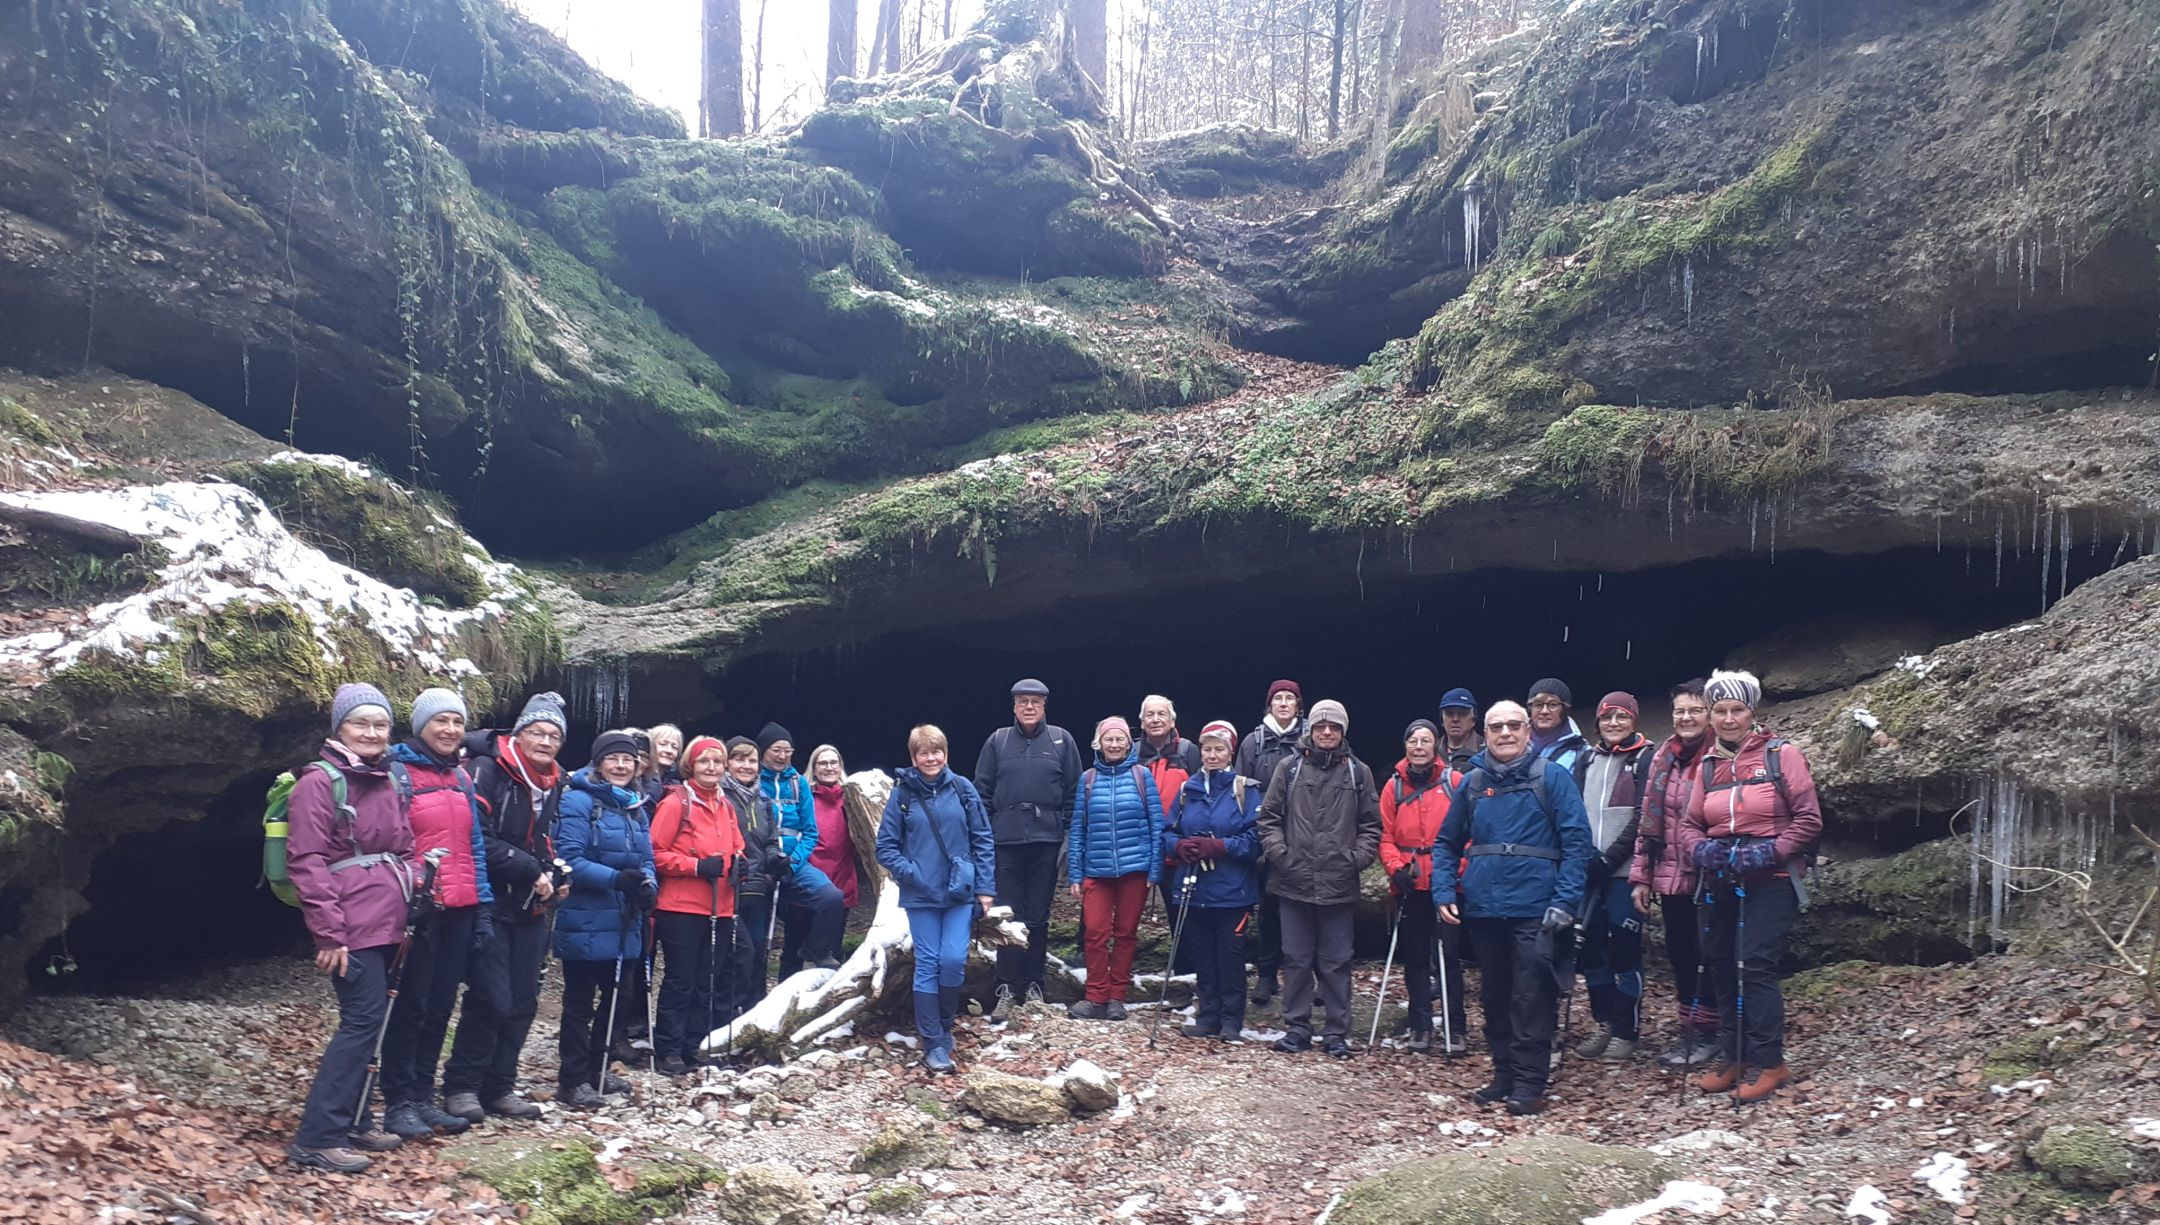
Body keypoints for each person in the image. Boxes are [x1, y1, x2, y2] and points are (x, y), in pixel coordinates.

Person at [1433, 700, 1594, 1115]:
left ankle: (1529, 1081)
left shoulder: (1553, 778)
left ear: (1527, 731)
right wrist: (1444, 892)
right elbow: (1448, 842)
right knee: (1495, 993)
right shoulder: (1473, 782)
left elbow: (1577, 844)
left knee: (1532, 996)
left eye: (1513, 726)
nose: (1505, 733)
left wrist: (1565, 901)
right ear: (1484, 734)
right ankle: (1503, 1073)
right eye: (1496, 727)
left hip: (1536, 908)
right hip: (1485, 907)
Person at [286, 683, 416, 1174]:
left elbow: (403, 848)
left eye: (380, 724)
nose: (371, 732)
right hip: (349, 927)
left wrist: (413, 902)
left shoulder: (387, 779)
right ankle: (318, 1137)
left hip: (387, 920)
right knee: (360, 1024)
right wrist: (329, 934)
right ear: (339, 728)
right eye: (360, 723)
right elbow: (307, 860)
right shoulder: (319, 782)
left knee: (373, 1023)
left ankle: (357, 1119)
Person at [1678, 669, 1822, 1104]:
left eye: (1736, 710)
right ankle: (1734, 1055)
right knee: (1720, 961)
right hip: (1721, 875)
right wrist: (1702, 851)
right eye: (1719, 710)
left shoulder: (1783, 755)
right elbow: (1688, 824)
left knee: (1754, 964)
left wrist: (1771, 852)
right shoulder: (1707, 765)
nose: (1727, 718)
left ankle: (1770, 1061)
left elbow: (1809, 820)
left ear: (1751, 711)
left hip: (1772, 878)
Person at [443, 692, 567, 1125]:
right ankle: (461, 1085)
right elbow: (475, 834)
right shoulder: (487, 769)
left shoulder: (554, 781)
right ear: (520, 733)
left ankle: (499, 1085)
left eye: (554, 735)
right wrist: (530, 868)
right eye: (538, 732)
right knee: (491, 997)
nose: (546, 741)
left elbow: (544, 838)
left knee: (523, 1000)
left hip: (530, 906)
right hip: (489, 899)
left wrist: (553, 874)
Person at [376, 688, 489, 1140]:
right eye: (441, 721)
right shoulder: (397, 773)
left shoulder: (461, 778)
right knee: (411, 1006)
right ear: (421, 725)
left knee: (441, 1004)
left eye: (457, 722)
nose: (450, 730)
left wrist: (482, 910)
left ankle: (423, 1096)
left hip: (459, 908)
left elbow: (474, 848)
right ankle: (398, 1099)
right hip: (418, 909)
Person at [1256, 699, 1379, 1058]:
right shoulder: (1289, 768)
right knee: (1295, 957)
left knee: (1337, 959)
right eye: (1321, 726)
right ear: (1310, 730)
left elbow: (1371, 824)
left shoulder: (1358, 772)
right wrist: (1281, 855)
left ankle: (1337, 1032)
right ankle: (1297, 1027)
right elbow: (1268, 818)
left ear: (1343, 731)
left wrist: (1356, 859)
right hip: (1292, 881)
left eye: (1334, 727)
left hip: (1339, 882)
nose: (1327, 733)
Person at [876, 725, 996, 1073]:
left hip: (959, 892)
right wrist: (910, 871)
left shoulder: (962, 788)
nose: (931, 758)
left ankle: (944, 1025)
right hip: (921, 896)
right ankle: (934, 1041)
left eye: (937, 751)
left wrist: (985, 888)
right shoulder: (903, 795)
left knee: (954, 959)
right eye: (924, 753)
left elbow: (983, 839)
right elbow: (884, 846)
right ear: (913, 757)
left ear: (946, 753)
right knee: (928, 962)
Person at [552, 731, 656, 1109]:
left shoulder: (636, 807)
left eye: (627, 760)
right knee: (580, 1002)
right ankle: (572, 1078)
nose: (621, 765)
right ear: (599, 762)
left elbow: (647, 859)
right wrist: (616, 880)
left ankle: (599, 1067)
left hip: (626, 917)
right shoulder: (579, 801)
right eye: (613, 759)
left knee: (619, 997)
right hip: (586, 915)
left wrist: (648, 888)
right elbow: (570, 858)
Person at [974, 679, 1083, 1022]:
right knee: (1008, 916)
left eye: (1036, 701)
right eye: (1023, 701)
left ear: (1045, 705)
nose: (1029, 707)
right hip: (1005, 842)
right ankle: (1007, 987)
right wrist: (988, 832)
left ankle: (1034, 985)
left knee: (1037, 915)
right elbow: (982, 791)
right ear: (1014, 706)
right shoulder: (998, 740)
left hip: (1045, 842)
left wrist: (1063, 831)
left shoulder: (1062, 740)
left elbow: (1073, 791)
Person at [1631, 679, 1721, 1068]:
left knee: (1712, 954)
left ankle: (1715, 1031)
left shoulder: (1720, 754)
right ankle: (1692, 1029)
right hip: (1670, 874)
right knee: (1682, 954)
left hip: (1712, 874)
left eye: (1694, 710)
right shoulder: (1663, 756)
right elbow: (1648, 821)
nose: (1686, 717)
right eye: (1680, 711)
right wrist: (1641, 876)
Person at [648, 736, 745, 1077]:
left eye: (718, 762)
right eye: (705, 761)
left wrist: (740, 865)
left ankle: (695, 1043)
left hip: (720, 905)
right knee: (680, 979)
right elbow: (655, 852)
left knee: (709, 979)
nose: (712, 767)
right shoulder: (677, 803)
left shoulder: (726, 804)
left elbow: (737, 846)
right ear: (692, 764)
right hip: (682, 906)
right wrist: (695, 867)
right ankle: (669, 1048)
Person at [1161, 721, 1262, 1042]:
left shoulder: (1245, 789)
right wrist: (1179, 846)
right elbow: (1167, 832)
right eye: (1207, 749)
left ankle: (1231, 1020)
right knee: (1202, 954)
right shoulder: (1187, 789)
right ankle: (1207, 1016)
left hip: (1233, 890)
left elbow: (1257, 839)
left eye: (1219, 749)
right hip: (1194, 887)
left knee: (1230, 956)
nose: (1213, 755)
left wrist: (1221, 846)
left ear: (1230, 752)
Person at [1567, 692, 1655, 1063]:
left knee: (1624, 949)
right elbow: (1572, 808)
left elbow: (1643, 815)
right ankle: (1604, 1021)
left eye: (1622, 717)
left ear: (1634, 720)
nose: (1614, 723)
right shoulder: (1587, 758)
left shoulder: (1646, 758)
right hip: (1590, 869)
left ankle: (1626, 1029)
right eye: (1607, 717)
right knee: (1591, 951)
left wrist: (1610, 858)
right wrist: (1585, 855)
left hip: (1624, 871)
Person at [1067, 717, 1165, 1020]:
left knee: (1126, 933)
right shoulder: (1088, 779)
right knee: (1094, 933)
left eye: (1119, 739)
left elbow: (1156, 823)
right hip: (1096, 871)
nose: (1113, 744)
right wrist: (1074, 873)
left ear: (1128, 743)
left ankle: (1117, 998)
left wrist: (1155, 869)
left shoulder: (1141, 775)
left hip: (1135, 868)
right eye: (1108, 739)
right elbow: (1077, 828)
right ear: (1099, 743)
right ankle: (1095, 996)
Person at [1378, 719, 1465, 1054]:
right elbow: (1385, 836)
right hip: (1410, 883)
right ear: (1405, 746)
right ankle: (1420, 1026)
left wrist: (1457, 870)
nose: (1418, 746)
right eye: (1413, 740)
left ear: (1435, 746)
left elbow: (1467, 836)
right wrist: (1395, 868)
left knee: (1449, 956)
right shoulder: (1393, 787)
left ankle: (1456, 1028)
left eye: (1425, 740)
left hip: (1446, 882)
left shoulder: (1454, 782)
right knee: (1414, 957)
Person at [1235, 679, 1304, 1006]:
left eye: (1290, 698)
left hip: (1304, 833)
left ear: (1298, 705)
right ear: (1269, 704)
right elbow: (1240, 788)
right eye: (1278, 698)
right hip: (1264, 833)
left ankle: (1302, 975)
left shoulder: (1310, 738)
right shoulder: (1253, 742)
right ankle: (1266, 974)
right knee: (1267, 906)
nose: (1284, 703)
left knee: (1303, 907)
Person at [758, 723, 847, 977]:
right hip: (760, 864)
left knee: (831, 897)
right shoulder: (753, 781)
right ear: (764, 751)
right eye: (777, 749)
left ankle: (817, 948)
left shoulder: (798, 783)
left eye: (788, 750)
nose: (782, 755)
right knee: (757, 937)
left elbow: (810, 831)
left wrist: (794, 861)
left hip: (793, 863)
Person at [1137, 695, 1201, 974]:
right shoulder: (1133, 753)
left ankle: (1186, 972)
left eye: (1161, 714)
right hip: (1141, 844)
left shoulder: (1188, 751)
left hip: (1178, 846)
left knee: (1182, 911)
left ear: (1172, 720)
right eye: (1149, 715)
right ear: (1141, 722)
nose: (1155, 719)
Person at [722, 736, 785, 1012]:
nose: (746, 766)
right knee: (736, 954)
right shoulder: (720, 797)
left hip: (759, 887)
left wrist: (776, 861)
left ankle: (754, 1012)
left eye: (751, 760)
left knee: (759, 953)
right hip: (728, 887)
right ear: (727, 762)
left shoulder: (764, 802)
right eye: (739, 759)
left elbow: (770, 841)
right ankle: (726, 1014)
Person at [805, 745, 862, 935]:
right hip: (810, 876)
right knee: (798, 941)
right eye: (822, 763)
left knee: (833, 943)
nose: (829, 767)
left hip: (843, 875)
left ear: (840, 766)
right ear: (814, 768)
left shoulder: (853, 798)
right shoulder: (805, 797)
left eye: (833, 763)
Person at [1526, 679, 1589, 773]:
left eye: (1552, 705)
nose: (1544, 711)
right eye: (1538, 705)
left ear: (1564, 709)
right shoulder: (1513, 741)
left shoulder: (1582, 751)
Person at [1438, 689, 1483, 773]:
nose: (1455, 719)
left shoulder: (1487, 752)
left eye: (1462, 713)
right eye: (1449, 713)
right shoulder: (1431, 750)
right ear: (1442, 720)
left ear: (1473, 719)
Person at [648, 724, 685, 788]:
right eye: (663, 744)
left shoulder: (676, 786)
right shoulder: (637, 779)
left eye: (674, 747)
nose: (669, 751)